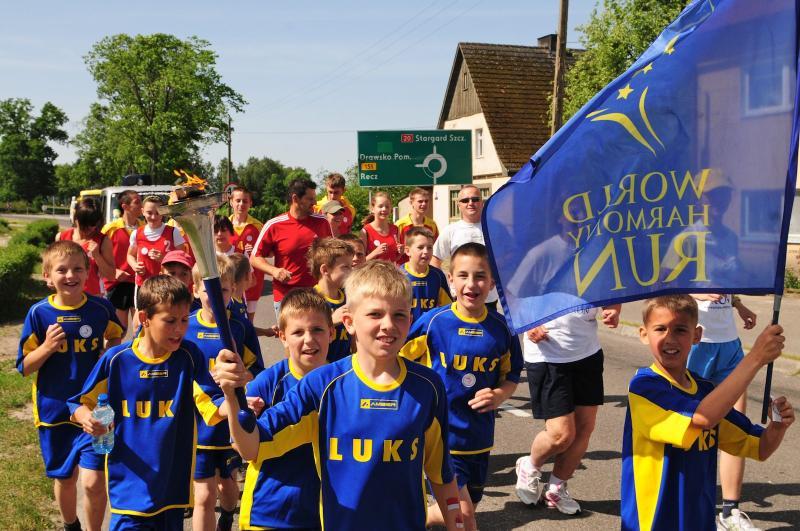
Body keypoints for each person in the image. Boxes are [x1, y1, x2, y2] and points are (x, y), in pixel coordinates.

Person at [213, 260, 464, 530]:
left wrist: (457, 521)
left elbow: (441, 473)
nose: (388, 324)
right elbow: (250, 447)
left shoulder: (428, 386)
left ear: (411, 320)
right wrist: (231, 395)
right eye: (375, 314)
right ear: (349, 322)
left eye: (399, 315)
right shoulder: (321, 386)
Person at [621, 295, 793, 531]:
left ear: (697, 335)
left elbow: (760, 447)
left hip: (699, 520)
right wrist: (755, 358)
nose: (670, 338)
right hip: (653, 522)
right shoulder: (645, 387)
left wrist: (778, 426)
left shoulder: (705, 391)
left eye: (680, 330)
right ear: (643, 334)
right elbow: (702, 418)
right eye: (660, 329)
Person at [69, 275, 224, 531]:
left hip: (172, 490)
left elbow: (212, 404)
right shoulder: (116, 360)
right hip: (129, 487)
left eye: (184, 320)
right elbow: (78, 403)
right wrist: (87, 418)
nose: (179, 329)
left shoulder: (188, 357)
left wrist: (236, 400)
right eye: (170, 321)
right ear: (144, 318)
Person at [401, 243, 522, 531]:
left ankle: (406, 519)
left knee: (460, 511)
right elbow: (398, 358)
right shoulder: (434, 322)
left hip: (479, 438)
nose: (471, 283)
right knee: (464, 515)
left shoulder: (503, 329)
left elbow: (512, 375)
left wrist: (499, 394)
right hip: (441, 437)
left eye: (480, 276)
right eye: (463, 275)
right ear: (451, 280)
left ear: (491, 283)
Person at [19, 241, 124, 531]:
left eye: (77, 269)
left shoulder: (100, 308)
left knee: (94, 481)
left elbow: (116, 334)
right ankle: (70, 525)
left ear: (88, 272)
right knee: (65, 478)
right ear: (47, 277)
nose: (70, 275)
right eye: (61, 270)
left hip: (96, 409)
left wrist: (109, 351)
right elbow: (25, 367)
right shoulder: (39, 313)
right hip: (53, 411)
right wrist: (47, 347)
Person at [514, 303, 620, 514]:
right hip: (548, 353)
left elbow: (610, 289)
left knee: (583, 428)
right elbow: (513, 289)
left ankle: (556, 487)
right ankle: (530, 465)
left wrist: (614, 310)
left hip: (587, 352)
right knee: (561, 435)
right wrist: (527, 322)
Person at [241, 288, 333, 530]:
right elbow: (242, 447)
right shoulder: (267, 383)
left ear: (332, 332)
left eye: (317, 329)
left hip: (325, 513)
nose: (309, 339)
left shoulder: (343, 382)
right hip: (270, 512)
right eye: (298, 332)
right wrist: (242, 415)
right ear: (283, 337)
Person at [187, 256, 262, 531]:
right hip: (197, 422)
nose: (217, 297)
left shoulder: (240, 327)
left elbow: (257, 370)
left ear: (233, 290)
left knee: (227, 485)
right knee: (204, 496)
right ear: (195, 290)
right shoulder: (185, 327)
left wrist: (242, 377)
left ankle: (228, 517)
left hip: (230, 421)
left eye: (224, 290)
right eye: (209, 290)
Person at [688, 294, 760, 529]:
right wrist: (694, 292)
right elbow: (662, 282)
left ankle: (730, 513)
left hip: (729, 342)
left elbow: (727, 283)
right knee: (692, 430)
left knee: (737, 429)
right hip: (696, 342)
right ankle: (690, 508)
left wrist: (738, 304)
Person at [251, 178, 333, 321]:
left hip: (317, 294)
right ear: (295, 199)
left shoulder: (322, 222)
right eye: (310, 199)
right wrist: (274, 271)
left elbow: (333, 254)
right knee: (290, 336)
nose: (314, 202)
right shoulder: (274, 225)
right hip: (286, 296)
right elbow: (254, 258)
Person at [431, 185, 498, 309]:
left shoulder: (495, 229)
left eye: (475, 199)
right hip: (460, 297)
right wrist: (444, 288)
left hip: (489, 297)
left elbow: (508, 260)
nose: (470, 203)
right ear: (459, 205)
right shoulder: (450, 230)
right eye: (465, 200)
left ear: (482, 203)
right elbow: (435, 260)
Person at [126, 195, 186, 297]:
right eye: (149, 213)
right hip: (144, 285)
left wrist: (164, 258)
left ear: (163, 212)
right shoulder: (136, 233)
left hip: (168, 286)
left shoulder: (173, 232)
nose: (153, 217)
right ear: (142, 211)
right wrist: (135, 266)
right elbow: (130, 255)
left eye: (157, 213)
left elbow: (183, 259)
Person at [57, 197, 116, 298]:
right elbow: (54, 266)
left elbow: (111, 276)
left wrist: (97, 256)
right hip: (66, 296)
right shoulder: (62, 237)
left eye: (92, 224)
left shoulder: (102, 240)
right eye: (84, 224)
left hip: (92, 298)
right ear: (76, 219)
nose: (89, 229)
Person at [102, 190, 144, 329]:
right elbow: (97, 255)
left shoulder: (144, 227)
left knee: (140, 328)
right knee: (118, 330)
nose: (141, 205)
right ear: (125, 206)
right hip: (117, 285)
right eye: (137, 202)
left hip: (139, 283)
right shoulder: (110, 229)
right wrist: (114, 272)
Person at [308, 237, 354, 362]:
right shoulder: (309, 300)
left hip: (344, 365)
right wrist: (331, 321)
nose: (351, 271)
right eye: (346, 267)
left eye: (351, 266)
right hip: (320, 368)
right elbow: (305, 333)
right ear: (325, 270)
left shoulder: (349, 297)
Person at [229, 186, 265, 322]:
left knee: (249, 321)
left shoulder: (258, 226)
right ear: (231, 202)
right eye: (238, 200)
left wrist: (255, 251)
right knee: (230, 317)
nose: (241, 204)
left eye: (245, 201)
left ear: (250, 203)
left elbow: (267, 252)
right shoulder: (224, 226)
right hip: (230, 279)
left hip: (252, 280)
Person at [402, 227, 451, 323]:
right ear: (407, 251)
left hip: (428, 330)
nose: (426, 251)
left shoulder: (438, 276)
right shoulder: (398, 275)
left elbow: (447, 308)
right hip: (405, 330)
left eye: (429, 247)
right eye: (420, 247)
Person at [360, 191, 404, 264]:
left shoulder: (395, 229)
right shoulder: (365, 231)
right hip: (372, 271)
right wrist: (375, 252)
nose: (384, 209)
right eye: (380, 206)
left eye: (387, 206)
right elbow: (360, 262)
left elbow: (394, 258)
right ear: (372, 209)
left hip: (391, 270)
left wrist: (400, 253)